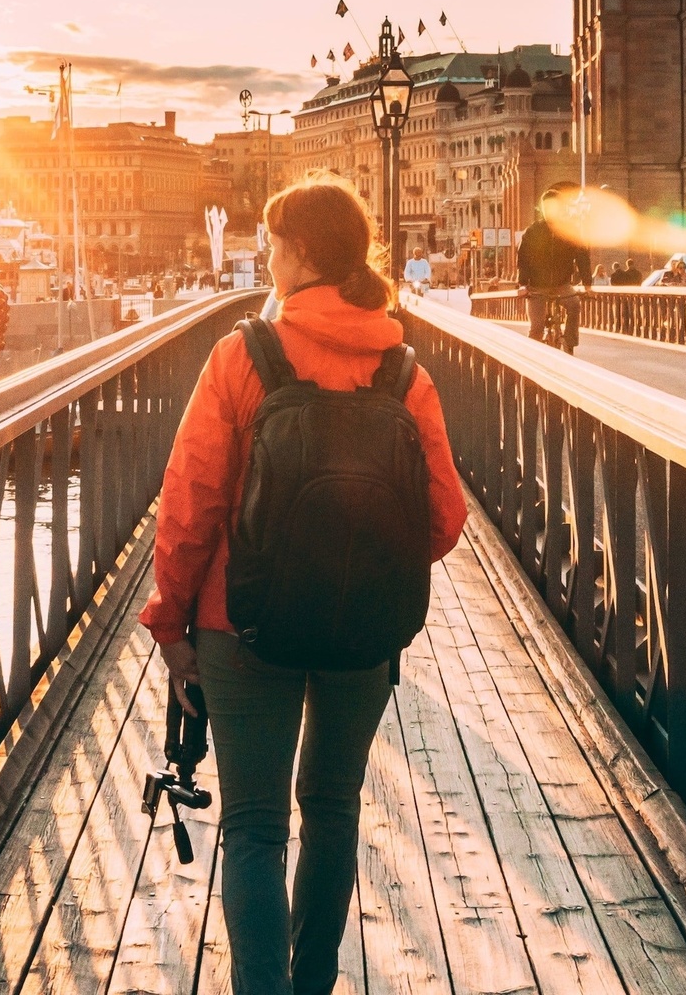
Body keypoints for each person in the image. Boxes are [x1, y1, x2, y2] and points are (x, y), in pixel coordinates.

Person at [142, 178, 466, 995]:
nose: (266, 254)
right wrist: (362, 567)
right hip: (362, 630)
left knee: (254, 828)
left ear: (303, 255)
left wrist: (172, 626)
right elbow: (445, 519)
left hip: (240, 623)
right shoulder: (403, 371)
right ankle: (313, 978)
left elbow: (191, 504)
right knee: (332, 811)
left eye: (273, 241)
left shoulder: (243, 356)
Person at [517, 184, 594, 349]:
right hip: (537, 286)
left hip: (562, 284)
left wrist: (588, 284)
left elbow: (582, 257)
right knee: (536, 328)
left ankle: (570, 342)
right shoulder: (533, 232)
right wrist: (523, 284)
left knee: (574, 305)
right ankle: (533, 362)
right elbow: (523, 259)